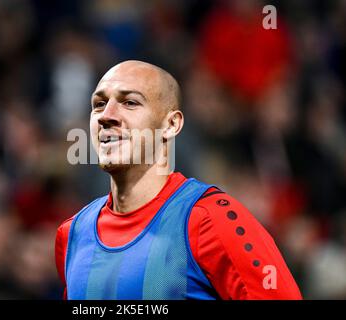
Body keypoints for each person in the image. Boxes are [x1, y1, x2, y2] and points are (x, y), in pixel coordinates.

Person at [55, 60, 302, 300]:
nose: (106, 116)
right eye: (98, 104)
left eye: (130, 102)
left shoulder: (213, 220)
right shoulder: (72, 234)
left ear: (171, 125)